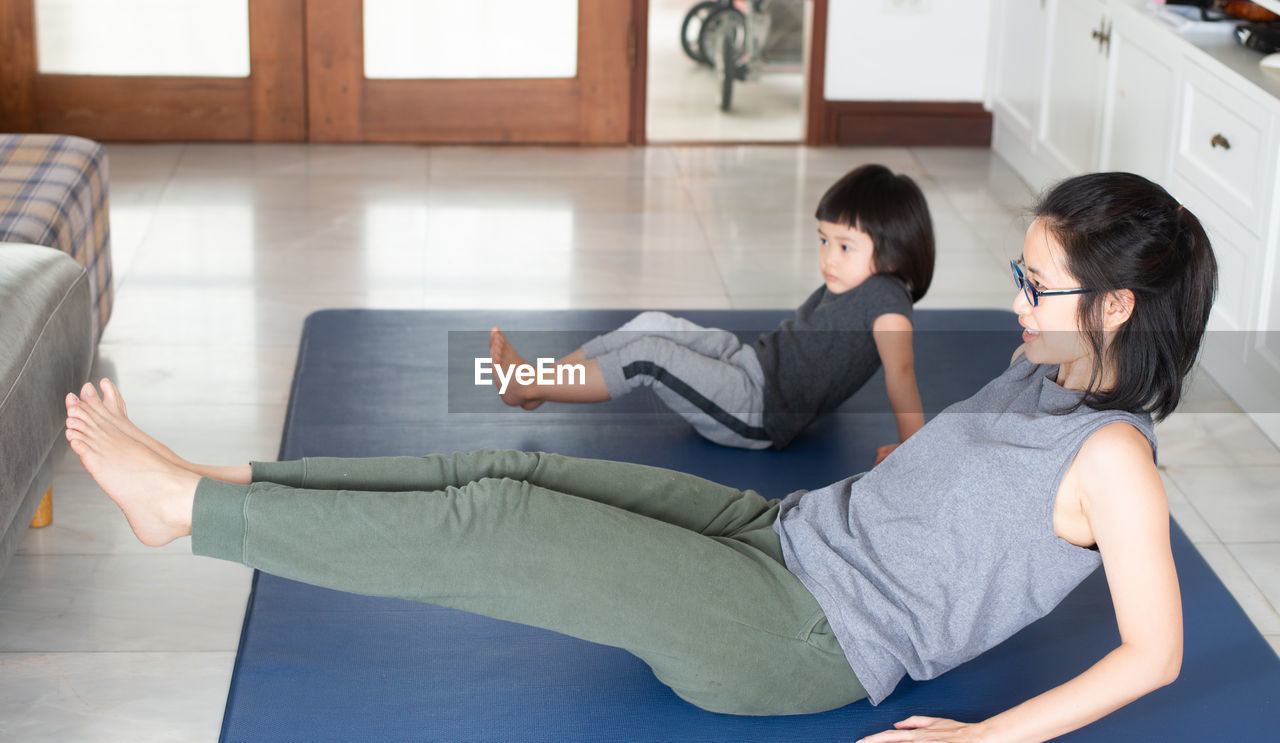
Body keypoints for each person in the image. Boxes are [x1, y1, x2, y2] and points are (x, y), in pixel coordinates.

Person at [64, 172, 1216, 742]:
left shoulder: (1114, 456)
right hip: (785, 535)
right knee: (507, 477)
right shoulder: (1044, 370)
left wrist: (980, 739)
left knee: (498, 534)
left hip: (805, 635)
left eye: (1035, 284)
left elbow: (1154, 654)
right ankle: (215, 483)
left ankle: (181, 511)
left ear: (1115, 305)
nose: (1013, 298)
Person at [489, 163, 936, 457]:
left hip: (756, 410)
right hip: (749, 363)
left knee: (648, 356)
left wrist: (910, 451)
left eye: (844, 246)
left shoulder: (888, 306)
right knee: (652, 325)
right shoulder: (862, 281)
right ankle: (536, 385)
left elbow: (902, 373)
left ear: (895, 252)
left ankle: (528, 387)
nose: (828, 258)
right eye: (823, 240)